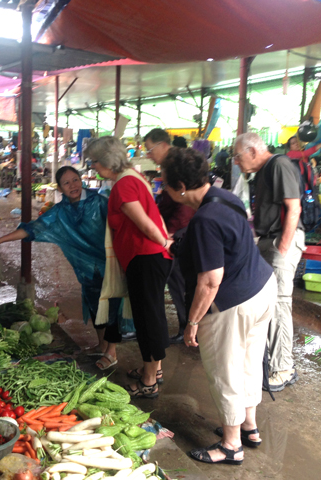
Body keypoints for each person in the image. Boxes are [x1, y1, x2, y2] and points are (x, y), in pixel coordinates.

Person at [161, 147, 276, 465]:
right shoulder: (226, 198)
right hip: (262, 288)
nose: (164, 190)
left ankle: (230, 445)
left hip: (233, 303)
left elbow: (211, 281)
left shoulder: (203, 220)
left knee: (225, 372)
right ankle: (249, 427)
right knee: (250, 363)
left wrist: (193, 321)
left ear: (181, 187)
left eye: (166, 185)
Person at [0, 166, 124, 371]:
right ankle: (102, 345)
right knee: (95, 306)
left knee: (111, 308)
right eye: (66, 183)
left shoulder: (100, 202)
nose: (72, 186)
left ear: (81, 180)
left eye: (75, 180)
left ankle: (112, 351)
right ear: (60, 188)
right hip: (87, 269)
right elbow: (32, 228)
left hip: (110, 263)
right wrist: (0, 241)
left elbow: (122, 223)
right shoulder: (60, 211)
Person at [85, 136, 172, 398]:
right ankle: (154, 370)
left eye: (95, 163)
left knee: (147, 321)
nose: (94, 168)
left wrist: (166, 243)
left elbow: (146, 223)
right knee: (153, 316)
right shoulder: (133, 176)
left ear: (106, 162)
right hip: (149, 257)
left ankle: (148, 382)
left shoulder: (123, 186)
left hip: (145, 257)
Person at [233, 132, 303, 392]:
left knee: (279, 303)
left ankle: (283, 368)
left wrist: (283, 247)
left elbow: (293, 207)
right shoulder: (263, 171)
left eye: (238, 157)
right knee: (267, 302)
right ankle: (271, 360)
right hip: (269, 240)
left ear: (252, 151)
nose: (237, 162)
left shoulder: (279, 164)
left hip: (281, 241)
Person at [144, 128, 194, 343]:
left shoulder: (176, 165)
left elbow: (184, 204)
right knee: (179, 281)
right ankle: (187, 325)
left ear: (162, 145)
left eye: (150, 149)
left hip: (180, 230)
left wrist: (171, 232)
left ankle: (188, 327)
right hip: (177, 227)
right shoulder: (170, 164)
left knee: (179, 281)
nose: (148, 154)